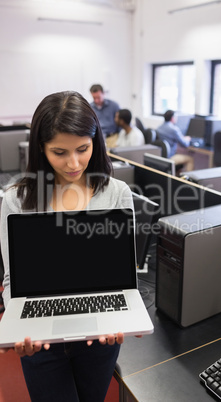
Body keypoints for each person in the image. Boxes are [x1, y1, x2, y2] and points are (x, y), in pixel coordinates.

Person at [0, 91, 135, 402]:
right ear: (40, 148)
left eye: (83, 149)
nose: (74, 163)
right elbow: (11, 280)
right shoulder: (16, 199)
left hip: (100, 333)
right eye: (59, 152)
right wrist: (17, 322)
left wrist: (122, 317)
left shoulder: (116, 192)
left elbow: (122, 276)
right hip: (41, 335)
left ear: (95, 142)